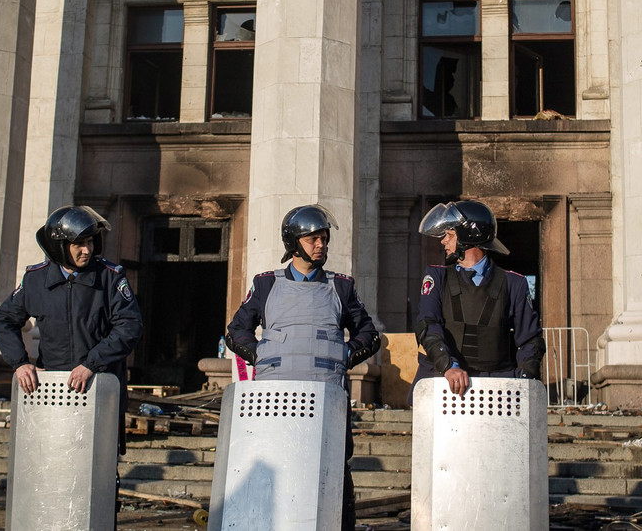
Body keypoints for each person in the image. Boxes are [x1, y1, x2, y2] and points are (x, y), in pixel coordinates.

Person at [225, 204, 380, 531]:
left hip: (327, 403)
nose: (321, 245)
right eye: (313, 239)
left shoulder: (341, 287)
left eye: (324, 238)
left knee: (334, 474)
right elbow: (236, 330)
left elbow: (369, 335)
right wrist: (263, 355)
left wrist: (342, 355)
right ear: (293, 242)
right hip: (275, 404)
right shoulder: (266, 285)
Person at [0, 205, 144, 455]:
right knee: (52, 458)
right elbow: (3, 319)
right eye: (79, 244)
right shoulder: (35, 279)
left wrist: (91, 364)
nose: (87, 250)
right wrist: (19, 363)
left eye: (91, 242)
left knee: (97, 462)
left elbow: (130, 326)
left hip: (97, 385)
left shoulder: (110, 277)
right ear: (60, 246)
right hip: (53, 389)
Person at [412, 200, 545, 398]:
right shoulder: (437, 277)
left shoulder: (514, 283)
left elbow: (530, 340)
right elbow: (428, 324)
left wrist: (523, 381)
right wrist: (448, 365)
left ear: (469, 236)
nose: (443, 241)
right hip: (444, 381)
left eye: (449, 234)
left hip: (496, 387)